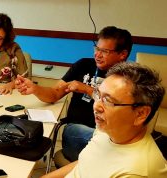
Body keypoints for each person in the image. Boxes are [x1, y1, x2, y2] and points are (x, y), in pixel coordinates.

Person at [15, 26, 132, 161]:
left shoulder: (129, 78)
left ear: (122, 54)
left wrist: (87, 89)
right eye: (97, 49)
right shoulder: (83, 65)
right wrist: (35, 89)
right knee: (109, 144)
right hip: (77, 130)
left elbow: (122, 111)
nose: (97, 55)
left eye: (104, 51)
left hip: (110, 132)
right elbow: (54, 94)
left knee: (108, 141)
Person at [41, 62, 167, 178]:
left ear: (141, 114)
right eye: (98, 95)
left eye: (108, 100)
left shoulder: (135, 172)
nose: (96, 106)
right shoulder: (109, 130)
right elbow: (85, 163)